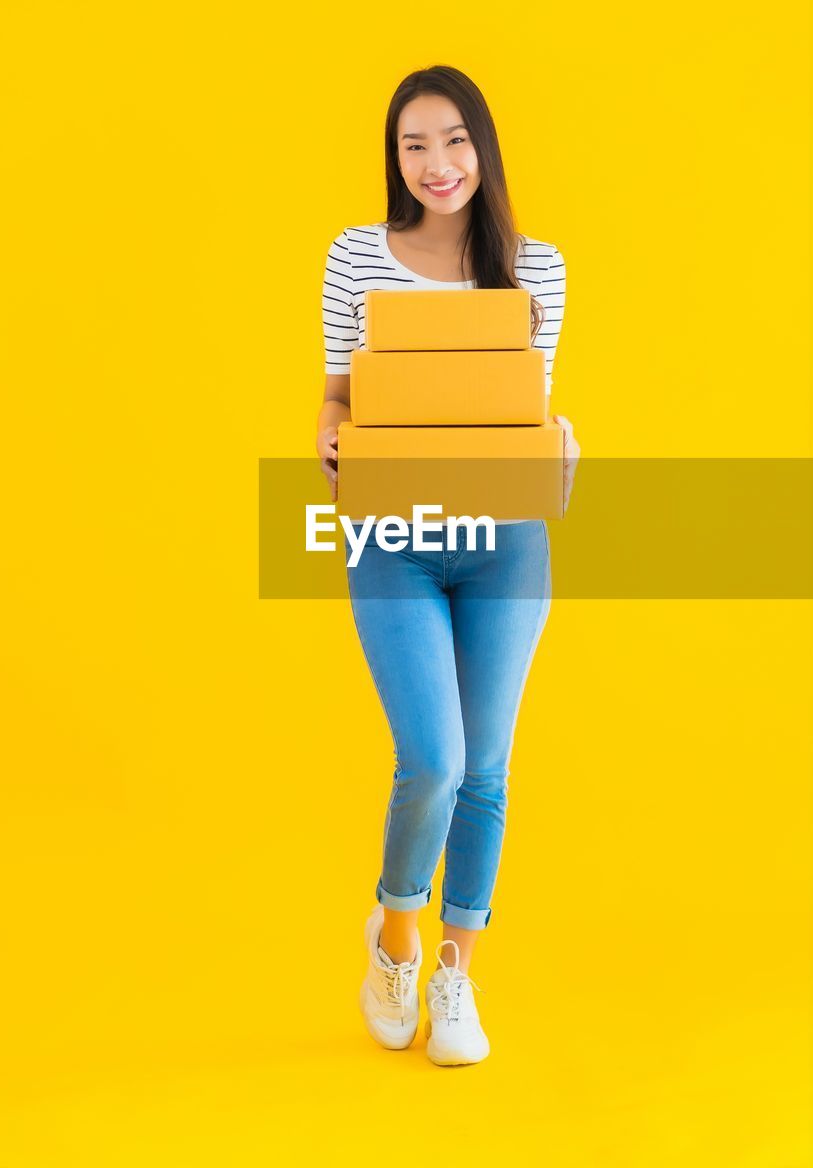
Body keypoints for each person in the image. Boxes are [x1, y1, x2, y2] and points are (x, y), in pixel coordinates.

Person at [314, 65, 580, 1066]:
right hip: (395, 532)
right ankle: (392, 932)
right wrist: (331, 439)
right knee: (434, 757)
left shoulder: (535, 267)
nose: (436, 164)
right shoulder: (355, 257)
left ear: (485, 146)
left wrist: (562, 440)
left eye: (455, 139)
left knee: (487, 768)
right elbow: (336, 399)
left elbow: (524, 409)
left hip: (506, 536)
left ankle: (455, 972)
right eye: (413, 144)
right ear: (395, 158)